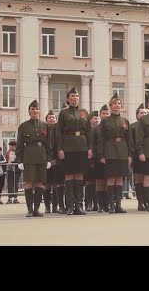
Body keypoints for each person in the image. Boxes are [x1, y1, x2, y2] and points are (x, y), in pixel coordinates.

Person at [56, 87, 93, 215]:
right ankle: (70, 206)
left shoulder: (84, 112)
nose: (75, 98)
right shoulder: (64, 113)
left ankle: (79, 205)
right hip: (68, 147)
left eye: (77, 96)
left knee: (79, 176)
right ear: (67, 98)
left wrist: (90, 148)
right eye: (72, 96)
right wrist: (60, 148)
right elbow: (59, 132)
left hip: (82, 146)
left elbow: (89, 131)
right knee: (69, 176)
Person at [15, 100, 52, 217]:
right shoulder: (23, 126)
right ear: (29, 111)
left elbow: (48, 144)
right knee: (29, 183)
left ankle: (36, 209)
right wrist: (20, 160)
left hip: (41, 156)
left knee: (40, 183)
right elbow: (20, 144)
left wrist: (49, 159)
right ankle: (29, 209)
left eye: (37, 109)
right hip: (29, 156)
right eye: (32, 109)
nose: (35, 111)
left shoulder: (45, 125)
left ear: (39, 111)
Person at [97, 93, 131, 213]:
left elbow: (128, 139)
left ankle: (118, 204)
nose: (117, 105)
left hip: (122, 151)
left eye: (119, 104)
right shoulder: (105, 121)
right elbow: (101, 139)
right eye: (115, 104)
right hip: (110, 151)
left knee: (120, 178)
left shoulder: (125, 121)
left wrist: (129, 155)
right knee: (111, 178)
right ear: (110, 106)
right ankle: (111, 204)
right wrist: (101, 155)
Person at [43, 109, 66, 214]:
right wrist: (48, 160)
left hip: (59, 162)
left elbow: (62, 145)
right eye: (49, 117)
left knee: (59, 184)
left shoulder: (59, 130)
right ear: (46, 120)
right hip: (46, 162)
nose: (51, 119)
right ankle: (47, 206)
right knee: (46, 184)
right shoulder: (43, 130)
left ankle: (58, 206)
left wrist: (56, 160)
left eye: (53, 117)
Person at [129, 103, 149, 211]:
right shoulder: (133, 126)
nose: (144, 114)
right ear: (137, 115)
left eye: (145, 112)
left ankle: (147, 201)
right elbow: (131, 142)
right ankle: (140, 202)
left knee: (148, 178)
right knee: (139, 179)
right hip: (137, 156)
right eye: (141, 113)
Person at [95, 104, 110, 212]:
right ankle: (100, 205)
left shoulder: (110, 127)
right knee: (100, 183)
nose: (105, 115)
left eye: (107, 113)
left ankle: (107, 204)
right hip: (99, 158)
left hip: (110, 156)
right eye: (103, 113)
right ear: (100, 115)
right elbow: (94, 144)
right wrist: (99, 157)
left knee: (108, 182)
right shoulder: (96, 129)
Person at [85, 111, 100, 211]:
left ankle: (96, 203)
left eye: (98, 118)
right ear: (90, 120)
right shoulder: (87, 130)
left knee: (97, 182)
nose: (97, 120)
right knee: (89, 182)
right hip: (89, 159)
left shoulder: (100, 130)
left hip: (98, 158)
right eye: (95, 118)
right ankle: (88, 203)